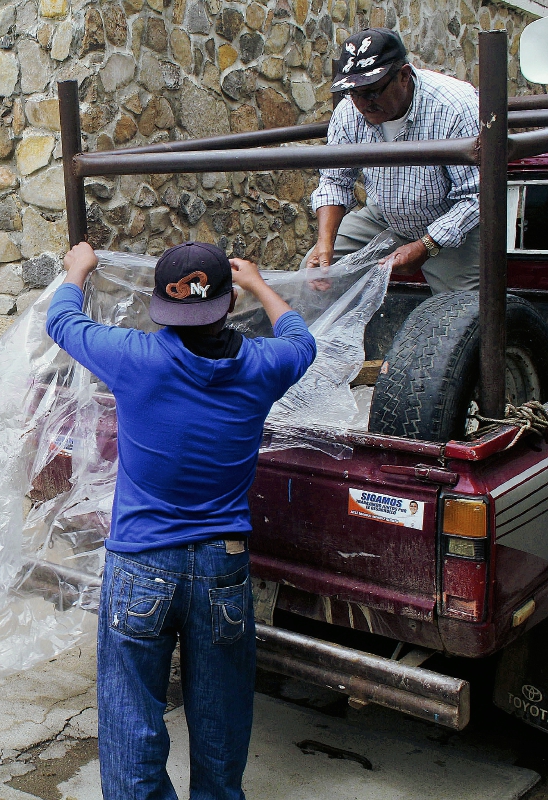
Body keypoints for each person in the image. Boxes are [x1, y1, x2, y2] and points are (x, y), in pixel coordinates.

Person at [46, 241, 316, 800]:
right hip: (224, 564)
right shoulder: (264, 366)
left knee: (131, 720)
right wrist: (261, 285)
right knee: (221, 719)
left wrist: (77, 271)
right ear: (225, 306)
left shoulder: (134, 356)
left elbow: (62, 319)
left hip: (142, 560)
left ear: (160, 308)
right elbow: (302, 340)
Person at [306, 27, 480, 294]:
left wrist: (428, 245)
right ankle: (314, 335)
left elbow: (476, 196)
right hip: (385, 215)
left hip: (450, 221)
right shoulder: (349, 110)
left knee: (461, 315)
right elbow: (334, 181)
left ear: (404, 75)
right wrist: (324, 243)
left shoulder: (454, 106)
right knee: (312, 272)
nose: (363, 103)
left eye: (372, 92)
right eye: (354, 93)